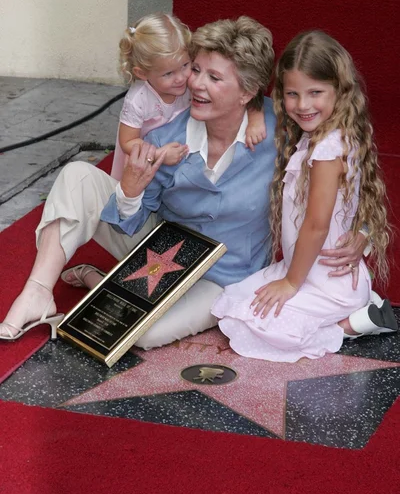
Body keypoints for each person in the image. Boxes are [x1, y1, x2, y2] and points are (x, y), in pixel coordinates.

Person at [0, 19, 367, 347]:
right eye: (195, 69)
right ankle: (37, 292)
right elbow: (128, 221)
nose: (195, 83)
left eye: (214, 77)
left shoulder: (282, 128)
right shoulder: (165, 137)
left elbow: (345, 168)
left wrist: (363, 231)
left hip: (224, 273)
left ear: (247, 92)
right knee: (77, 176)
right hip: (160, 247)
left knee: (142, 335)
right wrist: (129, 189)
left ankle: (105, 283)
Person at [212, 30, 397, 362]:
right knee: (235, 302)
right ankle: (358, 305)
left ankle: (351, 324)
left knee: (259, 327)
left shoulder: (326, 149)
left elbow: (316, 225)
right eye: (292, 94)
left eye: (315, 92)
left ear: (340, 91)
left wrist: (291, 284)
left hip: (321, 279)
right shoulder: (326, 136)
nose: (302, 105)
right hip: (308, 268)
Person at [110, 12, 267, 182]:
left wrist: (255, 117)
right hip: (144, 155)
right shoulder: (137, 100)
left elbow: (243, 96)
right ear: (142, 73)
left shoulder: (185, 81)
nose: (182, 78)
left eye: (186, 65)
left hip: (179, 145)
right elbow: (128, 142)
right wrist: (158, 154)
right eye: (168, 73)